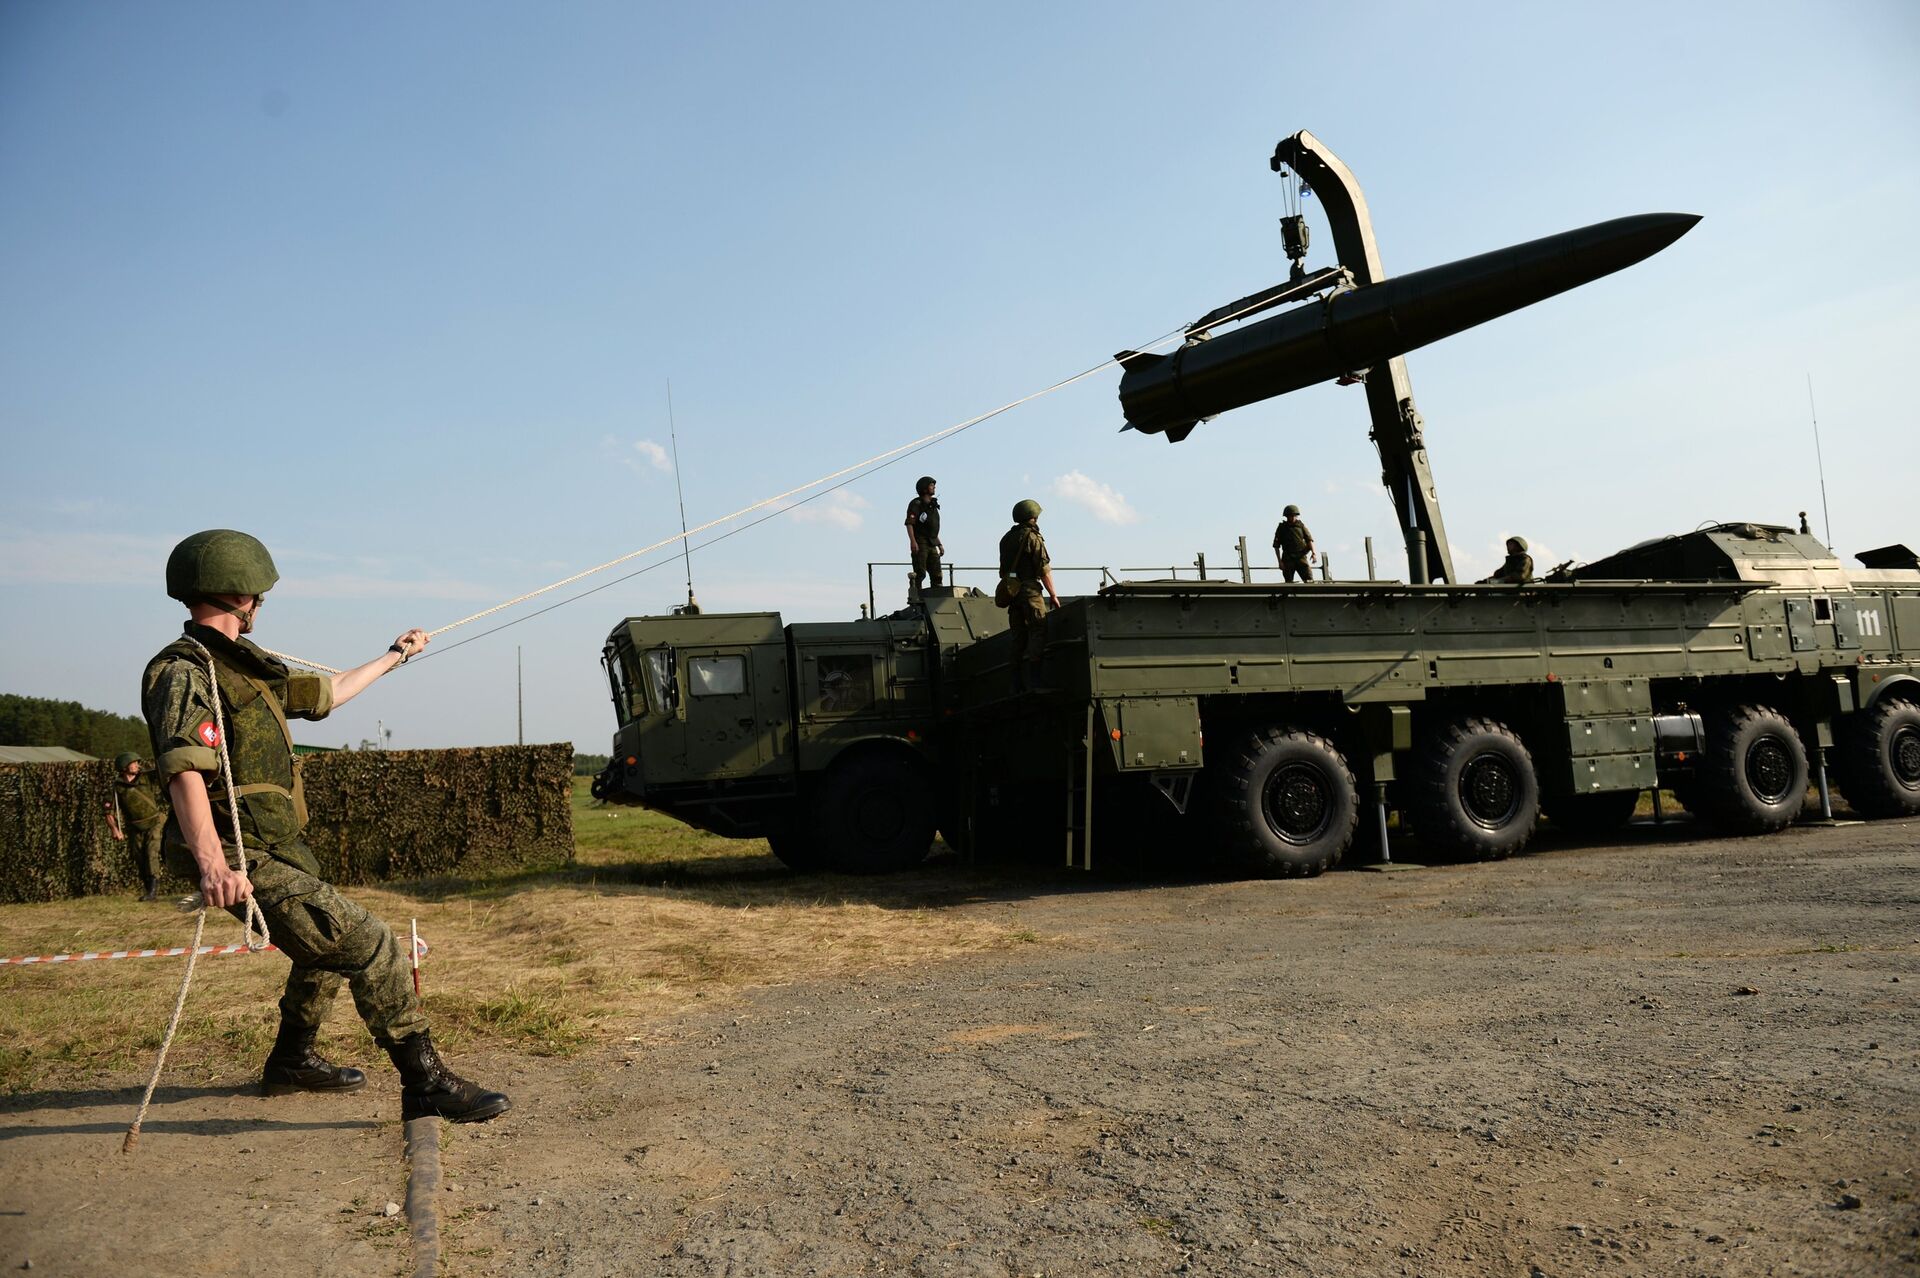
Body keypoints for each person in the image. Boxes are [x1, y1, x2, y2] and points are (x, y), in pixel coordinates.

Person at [143, 528, 509, 1123]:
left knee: (320, 949)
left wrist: (396, 654)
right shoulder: (186, 672)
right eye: (258, 592)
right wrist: (215, 864)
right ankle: (425, 1082)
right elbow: (185, 768)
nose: (262, 601)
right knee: (371, 945)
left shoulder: (247, 670)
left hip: (277, 845)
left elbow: (329, 693)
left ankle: (292, 1062)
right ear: (242, 594)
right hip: (240, 851)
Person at [998, 499, 1061, 692]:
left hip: (1013, 593)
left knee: (1018, 638)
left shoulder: (1006, 538)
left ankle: (1016, 685)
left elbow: (1003, 571)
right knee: (1038, 630)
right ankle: (1036, 682)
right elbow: (1043, 569)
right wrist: (1053, 595)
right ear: (1033, 517)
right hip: (1030, 592)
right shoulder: (1032, 537)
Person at [106, 752, 168, 900]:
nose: (137, 765)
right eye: (133, 763)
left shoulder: (147, 777)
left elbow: (164, 770)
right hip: (134, 828)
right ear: (123, 767)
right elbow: (109, 812)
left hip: (154, 822)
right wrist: (115, 829)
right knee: (139, 858)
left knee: (151, 852)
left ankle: (152, 892)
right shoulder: (117, 787)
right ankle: (148, 890)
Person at [906, 476, 944, 602]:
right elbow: (910, 523)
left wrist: (939, 544)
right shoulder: (916, 504)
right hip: (920, 542)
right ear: (924, 488)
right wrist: (913, 541)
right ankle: (917, 599)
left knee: (937, 574)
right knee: (920, 572)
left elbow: (932, 529)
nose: (934, 487)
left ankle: (937, 599)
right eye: (931, 485)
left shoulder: (932, 506)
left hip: (932, 542)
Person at [1272, 504, 1315, 582]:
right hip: (1288, 558)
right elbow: (1276, 546)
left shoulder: (1301, 526)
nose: (1292, 517)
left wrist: (1313, 553)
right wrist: (1279, 562)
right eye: (1290, 516)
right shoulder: (1282, 528)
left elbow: (1309, 540)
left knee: (1309, 580)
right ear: (1286, 516)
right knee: (1288, 581)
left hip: (1301, 557)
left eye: (1294, 515)